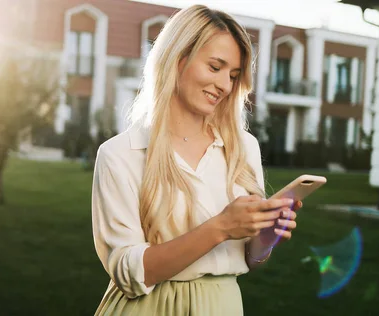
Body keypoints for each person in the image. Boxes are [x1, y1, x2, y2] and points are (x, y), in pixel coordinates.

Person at [91, 4, 302, 315]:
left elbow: (247, 258)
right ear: (178, 60)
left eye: (233, 75)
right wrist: (221, 227)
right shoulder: (120, 154)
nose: (225, 86)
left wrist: (264, 239)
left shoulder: (244, 147)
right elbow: (126, 271)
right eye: (215, 68)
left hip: (221, 305)